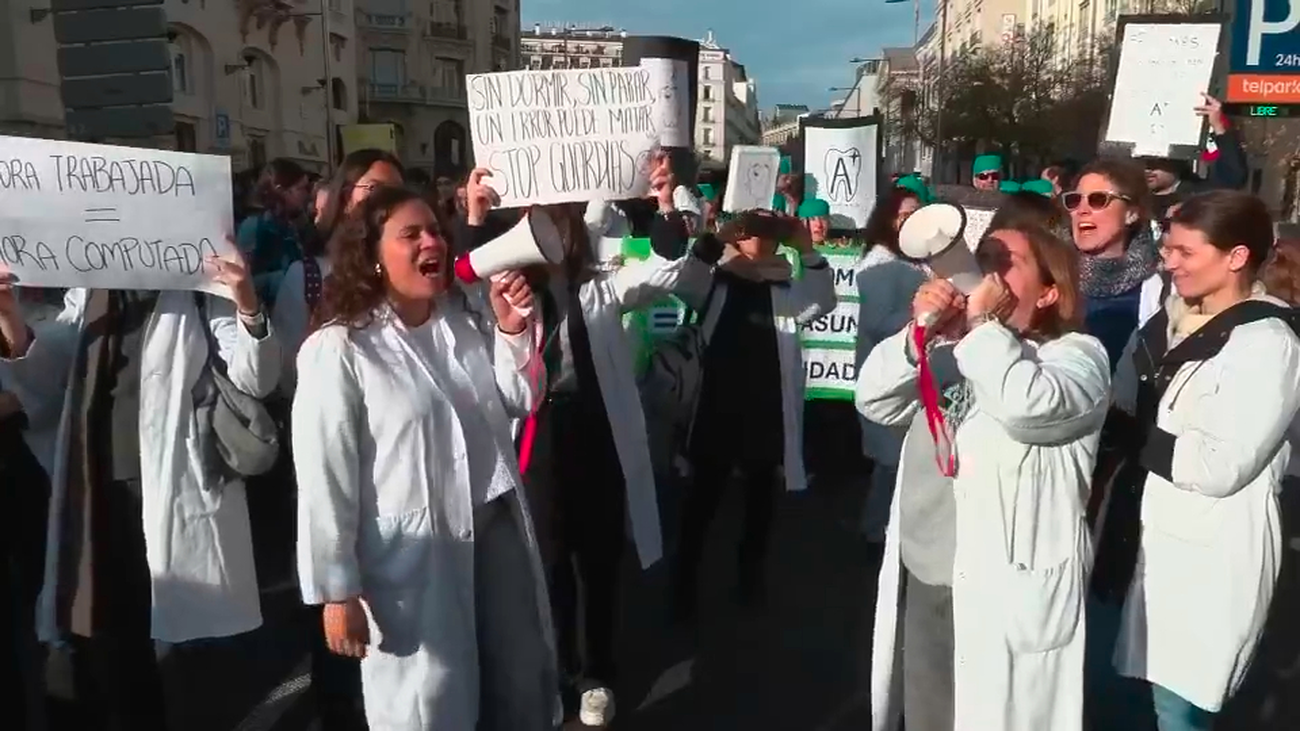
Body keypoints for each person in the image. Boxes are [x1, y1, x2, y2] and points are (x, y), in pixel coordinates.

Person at [293, 186, 557, 731]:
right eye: (410, 234)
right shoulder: (340, 349)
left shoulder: (461, 321)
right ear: (371, 255)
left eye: (435, 230)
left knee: (515, 682)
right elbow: (326, 478)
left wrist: (511, 329)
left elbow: (520, 399)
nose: (431, 241)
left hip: (494, 530)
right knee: (430, 705)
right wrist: (336, 590)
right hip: (415, 556)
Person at [469, 157, 707, 727]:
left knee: (598, 558)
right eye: (531, 219)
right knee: (547, 558)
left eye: (554, 220)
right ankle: (562, 666)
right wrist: (475, 219)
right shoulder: (504, 287)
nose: (542, 230)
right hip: (537, 432)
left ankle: (598, 673)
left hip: (595, 428)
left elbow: (669, 274)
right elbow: (457, 279)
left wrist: (665, 208)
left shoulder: (603, 283)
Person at [0, 249, 279, 730]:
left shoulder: (196, 290)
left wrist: (246, 300)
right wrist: (9, 316)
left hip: (173, 489)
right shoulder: (90, 289)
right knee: (115, 644)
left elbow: (257, 376)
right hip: (98, 492)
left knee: (188, 667)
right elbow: (47, 380)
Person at [858, 222, 1109, 731]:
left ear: (1049, 292)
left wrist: (983, 328)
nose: (986, 272)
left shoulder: (1078, 357)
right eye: (983, 257)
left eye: (1006, 262)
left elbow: (1027, 407)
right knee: (929, 718)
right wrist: (918, 337)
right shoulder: (962, 348)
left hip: (1001, 590)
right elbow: (875, 399)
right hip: (928, 573)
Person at [1090, 191, 1300, 731]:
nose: (1168, 262)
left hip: (1201, 555)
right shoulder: (1163, 325)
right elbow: (1116, 400)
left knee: (1174, 710)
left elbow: (1218, 465)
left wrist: (1128, 431)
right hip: (1125, 538)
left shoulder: (1266, 342)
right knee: (1109, 699)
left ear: (1235, 257)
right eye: (1166, 250)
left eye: (1185, 251)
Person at [670, 208, 836, 619]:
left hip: (764, 412)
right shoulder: (714, 284)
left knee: (760, 503)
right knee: (702, 501)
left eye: (767, 232)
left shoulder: (786, 289)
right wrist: (716, 238)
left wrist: (807, 249)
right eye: (749, 231)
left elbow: (823, 301)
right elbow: (682, 280)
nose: (757, 239)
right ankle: (683, 584)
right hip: (716, 408)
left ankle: (750, 579)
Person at [272, 148, 405, 393]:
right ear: (345, 198)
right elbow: (288, 372)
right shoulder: (306, 276)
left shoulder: (409, 273)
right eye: (375, 189)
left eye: (398, 193)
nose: (388, 202)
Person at [854, 187, 926, 548]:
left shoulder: (913, 258)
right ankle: (875, 531)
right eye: (905, 214)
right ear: (887, 219)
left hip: (909, 375)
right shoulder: (881, 263)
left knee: (898, 463)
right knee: (891, 463)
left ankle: (880, 529)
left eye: (918, 212)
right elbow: (878, 322)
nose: (913, 220)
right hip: (887, 378)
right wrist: (927, 316)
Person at [1063, 158, 1159, 369]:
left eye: (1098, 200)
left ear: (1131, 213)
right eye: (1074, 201)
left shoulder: (1158, 289)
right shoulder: (1051, 275)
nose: (1082, 210)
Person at [1139, 94, 1248, 224]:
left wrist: (1218, 127)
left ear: (1176, 162)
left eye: (1156, 162)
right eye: (1145, 162)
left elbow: (1233, 177)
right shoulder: (1132, 198)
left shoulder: (1198, 197)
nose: (1148, 169)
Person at [236, 158, 312, 306]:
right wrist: (279, 280)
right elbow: (244, 278)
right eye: (301, 189)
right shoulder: (254, 225)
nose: (306, 195)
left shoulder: (293, 224)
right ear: (280, 190)